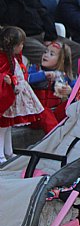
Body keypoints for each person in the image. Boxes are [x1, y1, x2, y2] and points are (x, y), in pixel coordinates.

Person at [0, 26, 44, 163]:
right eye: (20, 44)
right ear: (12, 45)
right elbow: (4, 74)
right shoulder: (4, 60)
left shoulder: (12, 58)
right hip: (7, 96)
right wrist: (9, 81)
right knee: (2, 128)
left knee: (7, 127)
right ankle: (1, 154)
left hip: (12, 95)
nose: (22, 47)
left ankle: (8, 151)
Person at [28, 40, 75, 133]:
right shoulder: (35, 69)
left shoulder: (65, 76)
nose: (46, 55)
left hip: (54, 114)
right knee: (45, 112)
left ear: (62, 60)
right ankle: (54, 139)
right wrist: (43, 75)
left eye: (51, 54)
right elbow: (26, 79)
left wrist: (70, 91)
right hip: (35, 115)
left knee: (72, 105)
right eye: (45, 52)